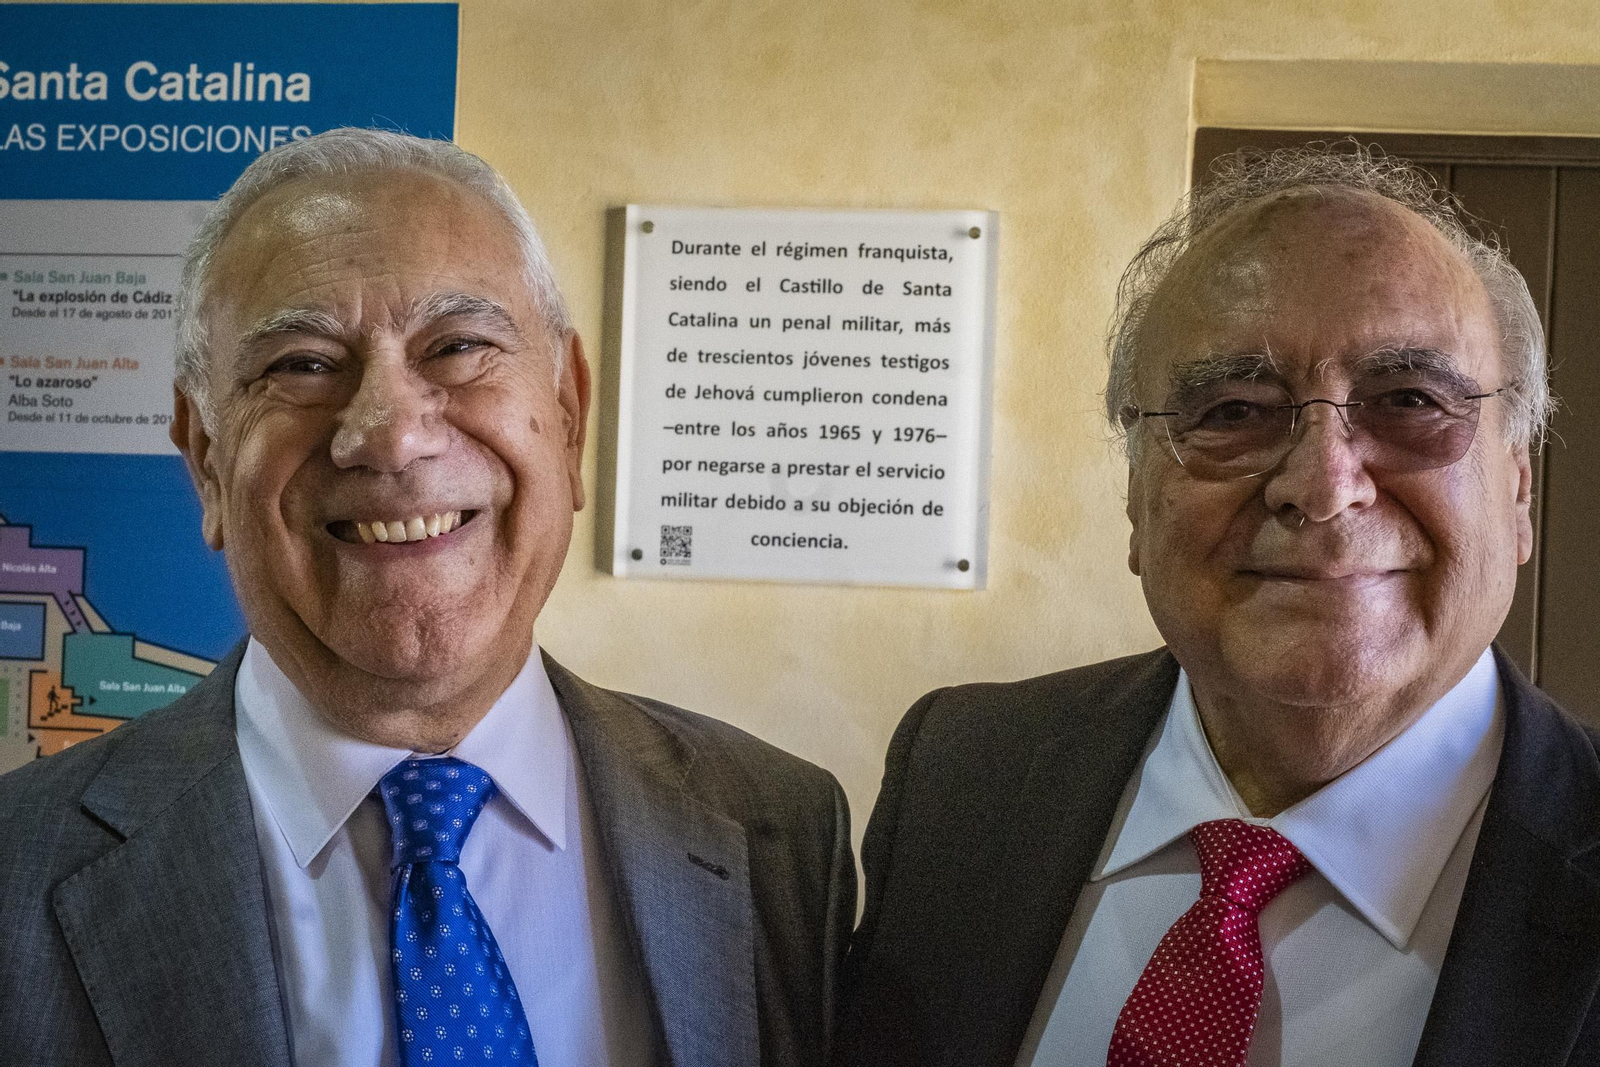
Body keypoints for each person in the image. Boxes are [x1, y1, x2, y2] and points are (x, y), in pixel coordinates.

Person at [0, 128, 853, 1067]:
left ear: (567, 415)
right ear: (205, 457)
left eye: (458, 346)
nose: (390, 433)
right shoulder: (17, 870)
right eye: (303, 363)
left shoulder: (781, 829)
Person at [834, 144, 1600, 1067]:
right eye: (1234, 410)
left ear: (1518, 490)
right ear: (1134, 496)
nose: (1322, 486)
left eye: (1408, 399)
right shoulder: (963, 776)